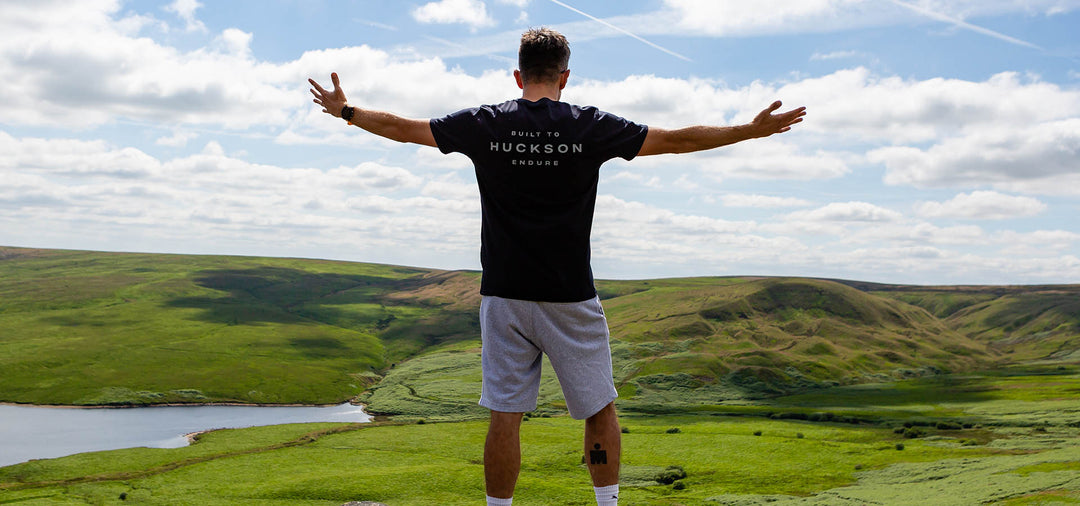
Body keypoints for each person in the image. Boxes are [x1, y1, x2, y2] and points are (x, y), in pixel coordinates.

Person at [310, 27, 805, 506]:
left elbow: (403, 129)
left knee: (505, 415)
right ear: (565, 77)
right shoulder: (588, 125)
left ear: (517, 75)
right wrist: (749, 130)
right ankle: (606, 503)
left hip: (503, 294)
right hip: (570, 295)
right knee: (599, 408)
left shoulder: (485, 122)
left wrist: (346, 111)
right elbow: (677, 140)